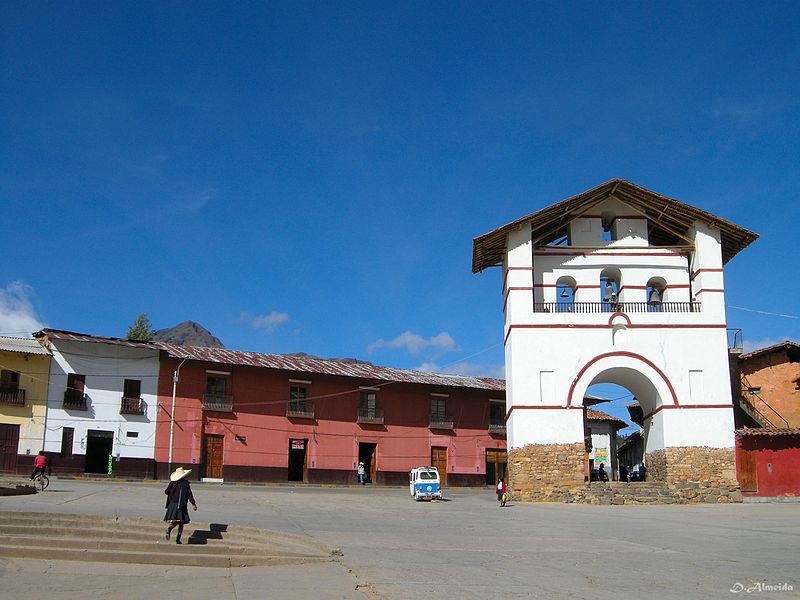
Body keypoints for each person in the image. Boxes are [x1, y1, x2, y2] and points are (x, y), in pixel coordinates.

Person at [164, 467, 197, 544]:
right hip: (181, 505)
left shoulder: (172, 482)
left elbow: (166, 491)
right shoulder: (185, 483)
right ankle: (177, 539)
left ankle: (169, 529)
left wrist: (172, 495)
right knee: (181, 522)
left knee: (175, 520)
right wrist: (193, 504)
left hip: (172, 504)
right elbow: (189, 494)